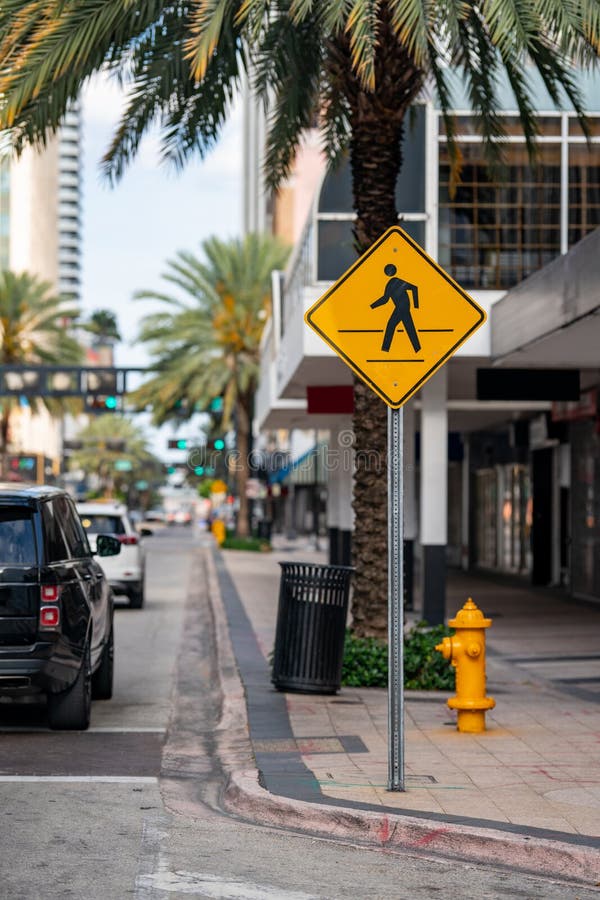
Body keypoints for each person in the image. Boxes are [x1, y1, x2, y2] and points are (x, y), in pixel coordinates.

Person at [370, 263, 421, 353]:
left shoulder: (396, 281)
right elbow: (385, 299)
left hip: (402, 307)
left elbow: (414, 288)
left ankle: (385, 349)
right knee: (409, 327)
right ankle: (417, 349)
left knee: (391, 325)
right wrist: (372, 306)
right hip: (402, 307)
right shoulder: (390, 284)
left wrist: (416, 305)